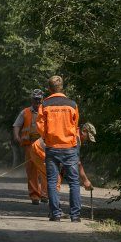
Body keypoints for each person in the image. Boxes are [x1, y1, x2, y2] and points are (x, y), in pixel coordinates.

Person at [37, 75, 82, 222]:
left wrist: (47, 138)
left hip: (52, 147)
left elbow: (40, 127)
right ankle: (75, 216)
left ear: (49, 89)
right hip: (69, 146)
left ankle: (55, 214)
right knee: (74, 182)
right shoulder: (72, 104)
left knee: (51, 181)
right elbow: (75, 126)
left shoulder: (44, 104)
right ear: (62, 87)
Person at [29, 122, 97, 204]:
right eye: (88, 138)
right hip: (40, 150)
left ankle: (46, 197)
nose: (87, 140)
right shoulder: (75, 138)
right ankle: (55, 210)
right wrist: (86, 181)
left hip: (40, 149)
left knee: (49, 176)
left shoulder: (73, 132)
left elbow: (65, 156)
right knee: (55, 179)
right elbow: (77, 162)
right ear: (84, 131)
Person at [13, 89, 47, 205]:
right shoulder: (25, 112)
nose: (37, 101)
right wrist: (17, 137)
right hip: (29, 145)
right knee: (31, 171)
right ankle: (35, 196)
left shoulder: (47, 111)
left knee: (45, 169)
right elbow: (16, 125)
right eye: (35, 99)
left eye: (39, 99)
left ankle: (45, 194)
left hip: (43, 145)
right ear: (31, 99)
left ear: (42, 99)